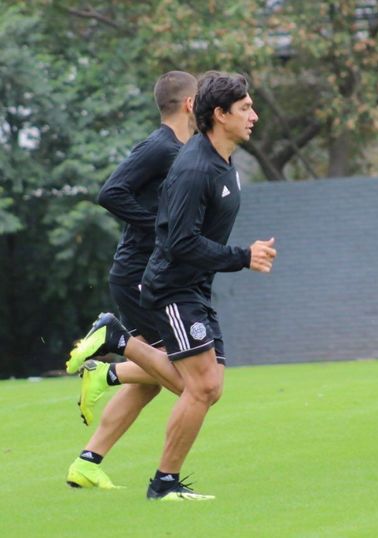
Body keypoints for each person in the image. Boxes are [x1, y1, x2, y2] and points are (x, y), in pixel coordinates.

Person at [66, 71, 277, 500]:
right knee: (198, 387)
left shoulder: (219, 156)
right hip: (171, 287)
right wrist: (241, 256)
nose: (254, 116)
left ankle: (107, 458)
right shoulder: (191, 166)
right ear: (218, 114)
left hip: (192, 285)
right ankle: (117, 346)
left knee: (203, 385)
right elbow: (178, 240)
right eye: (245, 108)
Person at [65, 70, 198, 489]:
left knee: (156, 380)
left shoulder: (183, 148)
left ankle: (88, 461)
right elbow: (111, 192)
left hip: (150, 274)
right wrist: (158, 228)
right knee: (187, 381)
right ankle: (113, 346)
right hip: (139, 275)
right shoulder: (159, 146)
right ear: (190, 104)